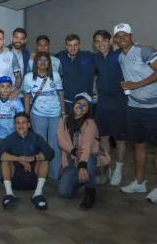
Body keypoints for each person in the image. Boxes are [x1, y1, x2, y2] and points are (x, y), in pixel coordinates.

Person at [113, 23, 157, 202]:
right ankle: (140, 182)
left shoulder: (144, 51)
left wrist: (136, 85)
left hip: (153, 107)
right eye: (118, 35)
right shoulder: (120, 57)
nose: (121, 38)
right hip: (134, 107)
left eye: (125, 34)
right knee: (138, 145)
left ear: (131, 36)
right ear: (115, 40)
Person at [57, 93, 108, 210]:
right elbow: (61, 140)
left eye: (85, 105)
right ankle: (82, 180)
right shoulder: (63, 120)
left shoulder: (90, 123)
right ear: (74, 104)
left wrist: (83, 166)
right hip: (72, 159)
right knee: (63, 192)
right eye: (79, 103)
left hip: (88, 157)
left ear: (88, 109)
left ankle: (90, 193)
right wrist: (73, 151)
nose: (81, 107)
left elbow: (86, 145)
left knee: (89, 161)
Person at [0, 112, 55, 210]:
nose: (21, 125)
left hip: (33, 177)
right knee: (5, 160)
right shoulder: (10, 138)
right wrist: (19, 158)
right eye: (18, 123)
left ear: (28, 125)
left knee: (44, 159)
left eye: (24, 123)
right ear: (14, 126)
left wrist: (33, 158)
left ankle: (38, 194)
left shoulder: (36, 137)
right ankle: (9, 194)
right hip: (15, 178)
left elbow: (50, 153)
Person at [92, 30, 127, 186]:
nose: (100, 44)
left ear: (110, 40)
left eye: (103, 40)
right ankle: (108, 168)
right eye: (97, 41)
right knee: (104, 137)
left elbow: (134, 50)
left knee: (119, 138)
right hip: (103, 103)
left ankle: (118, 170)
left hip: (119, 102)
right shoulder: (95, 58)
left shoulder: (120, 54)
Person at [23, 52, 64, 180]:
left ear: (49, 63)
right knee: (40, 145)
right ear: (35, 62)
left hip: (55, 114)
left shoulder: (55, 76)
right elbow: (27, 96)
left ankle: (54, 173)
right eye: (40, 60)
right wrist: (26, 114)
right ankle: (40, 173)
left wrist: (63, 113)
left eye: (45, 60)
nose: (42, 62)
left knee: (55, 144)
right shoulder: (29, 77)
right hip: (37, 114)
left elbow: (61, 94)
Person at [55, 34, 96, 114]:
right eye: (69, 45)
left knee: (85, 125)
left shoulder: (89, 56)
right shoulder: (59, 57)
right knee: (67, 125)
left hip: (84, 103)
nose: (72, 48)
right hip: (66, 102)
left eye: (75, 45)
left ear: (80, 45)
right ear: (65, 46)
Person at [0, 76, 24, 149]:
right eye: (2, 86)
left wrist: (19, 131)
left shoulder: (16, 101)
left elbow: (21, 117)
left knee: (12, 153)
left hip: (12, 134)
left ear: (12, 88)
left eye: (8, 86)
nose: (5, 89)